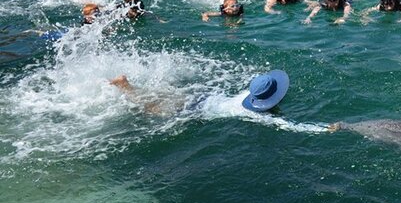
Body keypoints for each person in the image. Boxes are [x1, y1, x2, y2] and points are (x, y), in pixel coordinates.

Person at [109, 70, 289, 115]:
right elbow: (287, 126)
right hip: (198, 109)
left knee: (159, 99)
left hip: (206, 97)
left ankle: (126, 85)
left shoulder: (246, 95)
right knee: (151, 109)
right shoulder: (253, 113)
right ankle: (124, 86)